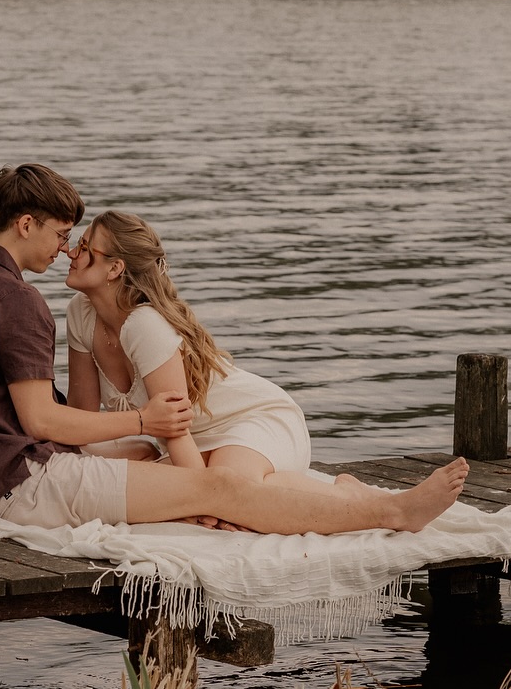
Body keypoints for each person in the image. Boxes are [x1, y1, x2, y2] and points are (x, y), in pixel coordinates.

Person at [0, 163, 467, 535]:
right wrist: (142, 422)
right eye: (58, 234)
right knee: (219, 491)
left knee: (203, 484)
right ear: (24, 224)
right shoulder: (18, 302)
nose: (63, 248)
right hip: (29, 487)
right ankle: (390, 511)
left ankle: (351, 499)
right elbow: (41, 422)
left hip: (0, 482)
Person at [64, 210, 349, 514]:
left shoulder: (144, 325)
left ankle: (355, 498)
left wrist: (199, 502)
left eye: (84, 247)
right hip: (194, 444)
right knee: (197, 493)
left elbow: (176, 429)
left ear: (114, 268)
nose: (70, 252)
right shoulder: (81, 314)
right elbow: (80, 419)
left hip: (254, 420)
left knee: (231, 498)